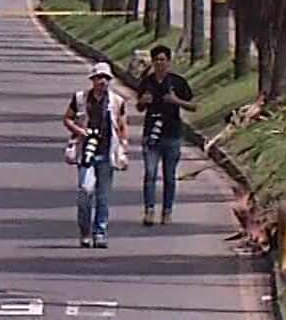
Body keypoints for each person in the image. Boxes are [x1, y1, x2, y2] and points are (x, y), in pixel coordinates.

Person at [64, 63, 130, 249]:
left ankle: (100, 232)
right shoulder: (80, 99)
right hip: (86, 153)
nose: (102, 82)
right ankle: (85, 231)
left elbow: (123, 126)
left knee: (103, 197)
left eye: (106, 78)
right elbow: (67, 118)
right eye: (99, 78)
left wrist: (124, 150)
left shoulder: (117, 101)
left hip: (107, 152)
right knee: (85, 192)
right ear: (92, 80)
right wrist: (79, 130)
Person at [135, 44, 199, 226]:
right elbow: (139, 106)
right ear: (153, 62)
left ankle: (167, 211)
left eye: (163, 60)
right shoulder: (147, 82)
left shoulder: (177, 82)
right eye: (156, 60)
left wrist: (175, 100)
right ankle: (149, 211)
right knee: (150, 173)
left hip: (172, 133)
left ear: (169, 62)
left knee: (169, 176)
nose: (160, 63)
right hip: (151, 134)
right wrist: (143, 102)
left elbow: (194, 106)